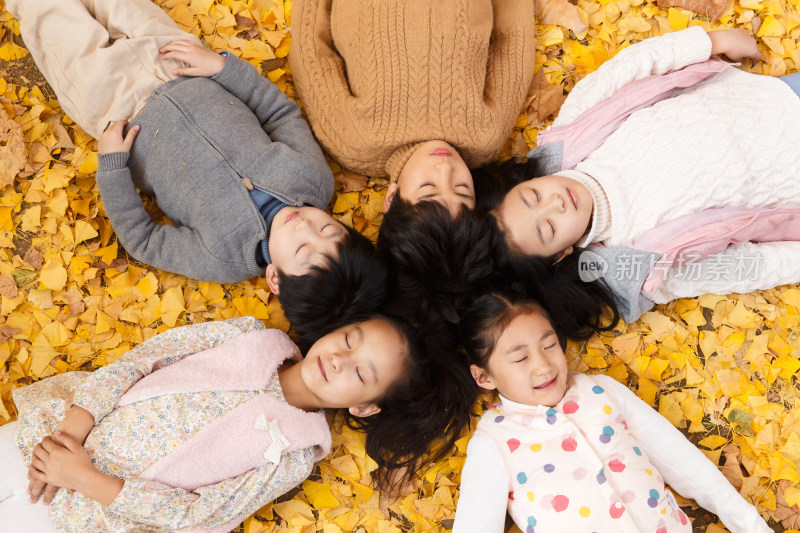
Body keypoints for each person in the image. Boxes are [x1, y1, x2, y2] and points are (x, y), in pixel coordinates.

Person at [6, 0, 389, 345]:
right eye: (328, 228)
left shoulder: (224, 259)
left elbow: (144, 240)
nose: (304, 226)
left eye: (303, 249)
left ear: (275, 278)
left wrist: (112, 166)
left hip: (116, 105)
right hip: (182, 62)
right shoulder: (314, 180)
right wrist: (222, 67)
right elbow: (278, 113)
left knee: (50, 15)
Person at [0, 314, 469, 532]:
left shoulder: (296, 452)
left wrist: (83, 477)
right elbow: (147, 357)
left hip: (93, 513)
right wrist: (72, 429)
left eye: (362, 373)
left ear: (366, 407)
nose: (340, 360)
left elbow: (201, 513)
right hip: (56, 434)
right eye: (350, 339)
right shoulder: (250, 335)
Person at [478, 27, 800, 321]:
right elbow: (743, 266)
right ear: (561, 254)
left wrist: (710, 42)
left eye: (533, 196)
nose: (556, 204)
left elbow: (631, 66)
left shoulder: (572, 133)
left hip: (775, 97)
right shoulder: (644, 263)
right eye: (549, 228)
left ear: (527, 181)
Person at [289, 0, 537, 325]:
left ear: (391, 198)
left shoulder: (353, 141)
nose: (445, 168)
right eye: (463, 189)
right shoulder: (485, 138)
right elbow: (513, 44)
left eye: (429, 188)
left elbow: (311, 54)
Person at [452, 293, 772, 533]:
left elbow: (679, 459)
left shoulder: (599, 390)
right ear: (484, 377)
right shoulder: (493, 441)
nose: (543, 365)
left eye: (549, 345)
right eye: (520, 358)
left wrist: (749, 524)